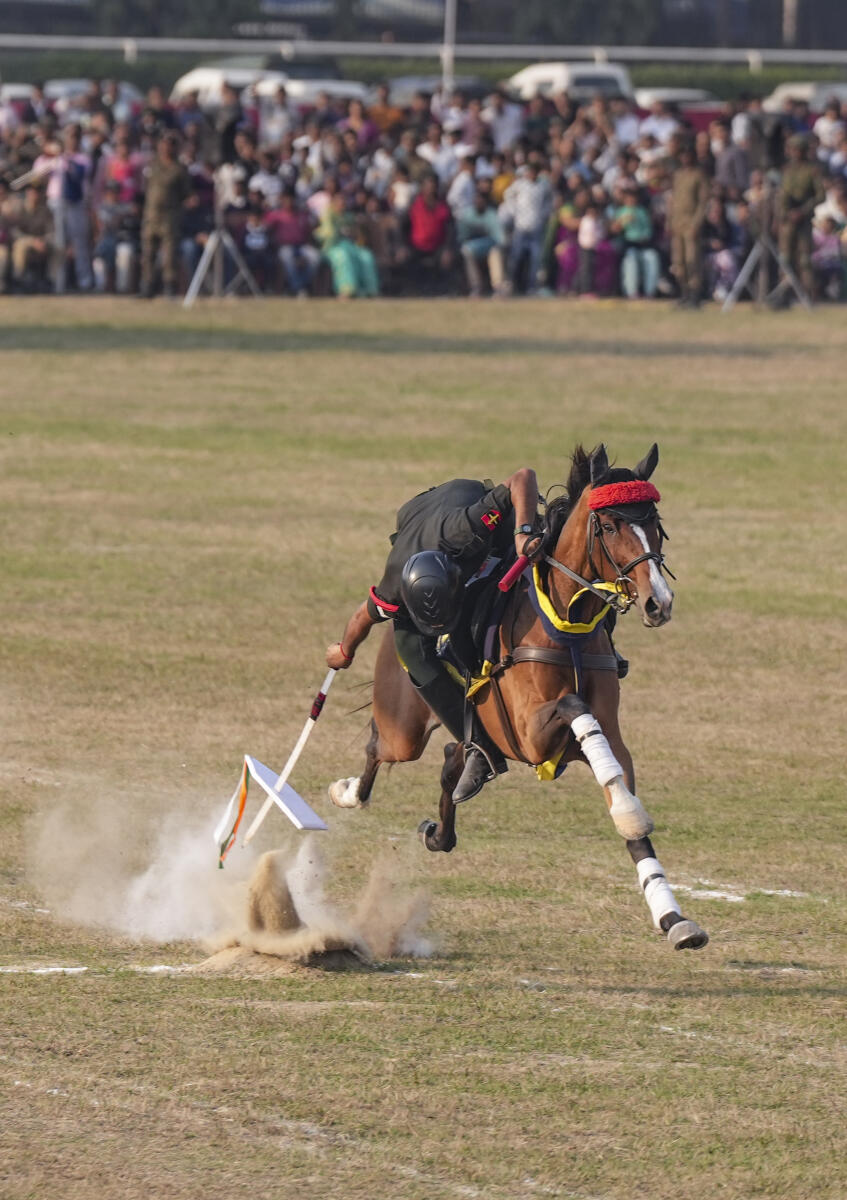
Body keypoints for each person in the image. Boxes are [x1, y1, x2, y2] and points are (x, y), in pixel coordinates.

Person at [326, 470, 541, 803]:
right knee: (413, 654)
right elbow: (360, 619)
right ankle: (478, 746)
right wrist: (343, 650)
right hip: (417, 516)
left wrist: (523, 534)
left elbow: (523, 477)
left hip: (467, 512)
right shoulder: (394, 588)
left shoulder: (468, 529)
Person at [139, 131, 192, 298]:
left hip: (170, 218)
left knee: (169, 255)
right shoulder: (152, 166)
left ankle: (169, 286)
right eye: (163, 143)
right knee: (148, 253)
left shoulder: (179, 169)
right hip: (151, 216)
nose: (166, 147)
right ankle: (147, 287)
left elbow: (187, 195)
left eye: (170, 144)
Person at [777, 135, 825, 300]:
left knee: (805, 258)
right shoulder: (786, 170)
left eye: (798, 150)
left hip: (803, 220)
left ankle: (807, 294)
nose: (795, 153)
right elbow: (781, 195)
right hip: (786, 221)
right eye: (793, 149)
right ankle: (783, 293)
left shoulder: (812, 171)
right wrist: (784, 214)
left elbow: (821, 196)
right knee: (785, 258)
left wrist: (803, 211)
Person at [668, 142, 709, 307]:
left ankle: (695, 294)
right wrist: (669, 221)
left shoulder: (699, 175)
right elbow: (673, 200)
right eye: (683, 155)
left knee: (692, 259)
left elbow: (703, 202)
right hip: (677, 223)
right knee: (679, 261)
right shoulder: (678, 175)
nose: (685, 158)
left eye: (688, 155)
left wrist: (696, 223)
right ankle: (684, 292)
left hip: (691, 222)